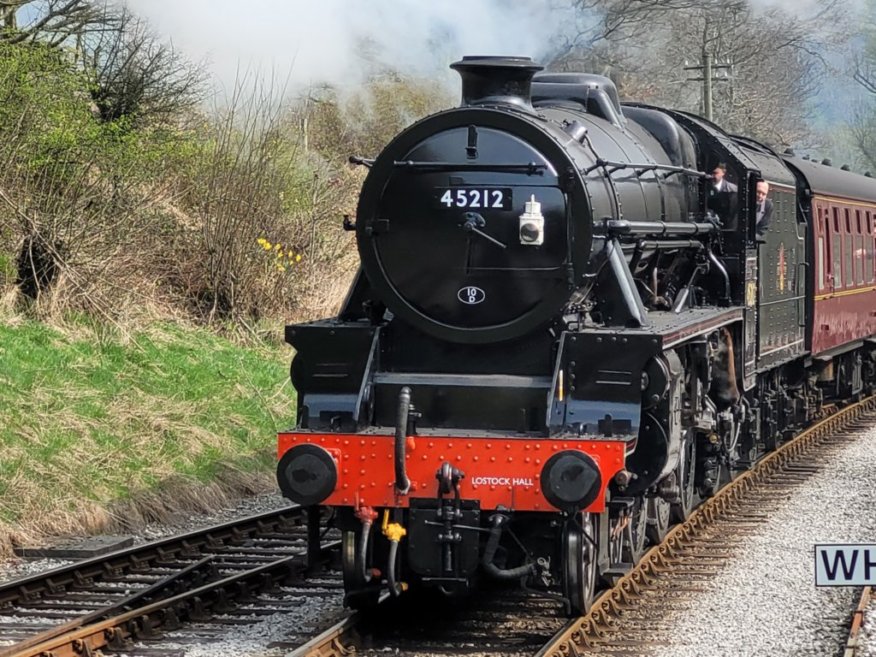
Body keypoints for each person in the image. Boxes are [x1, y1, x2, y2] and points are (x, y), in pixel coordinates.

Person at [707, 163, 739, 229]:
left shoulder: (733, 190)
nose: (712, 176)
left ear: (723, 172)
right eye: (711, 173)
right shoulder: (703, 188)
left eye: (715, 173)